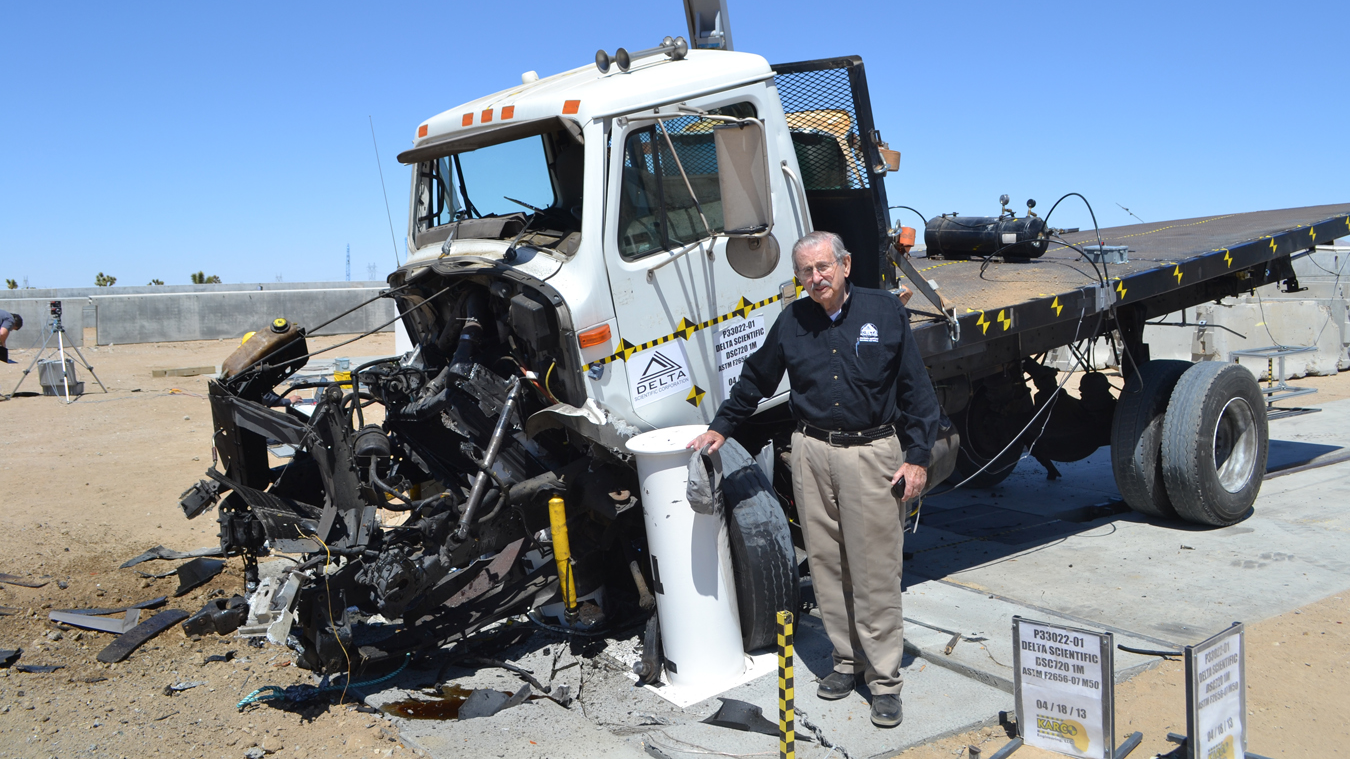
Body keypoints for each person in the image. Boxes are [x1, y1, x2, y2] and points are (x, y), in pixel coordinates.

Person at [688, 230, 939, 728]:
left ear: (845, 265)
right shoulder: (792, 321)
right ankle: (846, 661)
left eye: (824, 267)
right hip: (810, 453)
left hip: (872, 455)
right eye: (806, 271)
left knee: (875, 572)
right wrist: (721, 427)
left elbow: (916, 391)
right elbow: (756, 379)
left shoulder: (885, 313)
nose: (816, 278)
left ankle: (884, 680)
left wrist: (918, 456)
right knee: (826, 565)